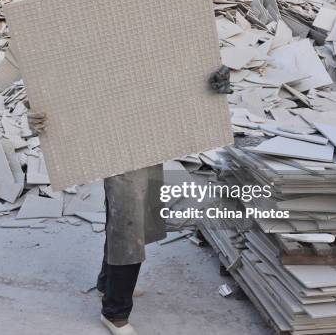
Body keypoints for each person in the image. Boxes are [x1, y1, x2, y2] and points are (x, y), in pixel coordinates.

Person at [27, 66, 232, 335]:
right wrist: (37, 112)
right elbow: (57, 70)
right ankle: (115, 311)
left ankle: (107, 283)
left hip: (145, 128)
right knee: (128, 222)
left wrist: (208, 86)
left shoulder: (141, 38)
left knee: (131, 214)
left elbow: (173, 71)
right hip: (111, 132)